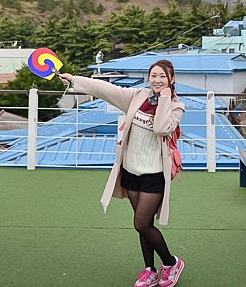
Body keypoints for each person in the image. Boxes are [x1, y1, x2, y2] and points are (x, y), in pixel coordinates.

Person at [60, 60, 186, 287]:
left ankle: (171, 263)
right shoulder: (136, 96)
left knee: (141, 223)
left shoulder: (176, 106)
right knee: (143, 224)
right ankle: (149, 270)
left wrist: (165, 97)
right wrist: (74, 80)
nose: (157, 80)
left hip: (153, 174)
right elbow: (106, 90)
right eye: (153, 75)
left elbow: (160, 128)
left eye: (163, 77)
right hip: (130, 170)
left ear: (171, 80)